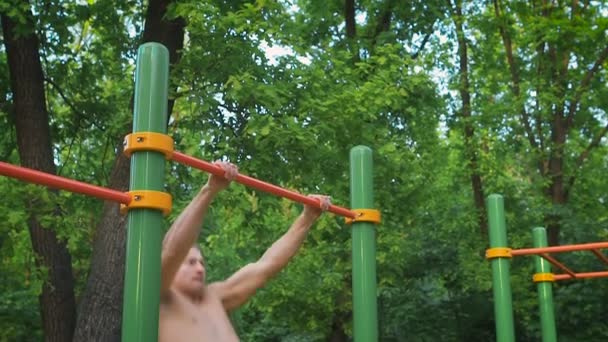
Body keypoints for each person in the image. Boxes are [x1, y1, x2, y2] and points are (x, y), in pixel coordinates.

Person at [158, 161, 331, 341]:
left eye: (201, 262)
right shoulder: (161, 297)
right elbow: (172, 251)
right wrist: (210, 189)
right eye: (191, 263)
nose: (200, 269)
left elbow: (266, 266)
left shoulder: (215, 296)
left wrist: (307, 218)